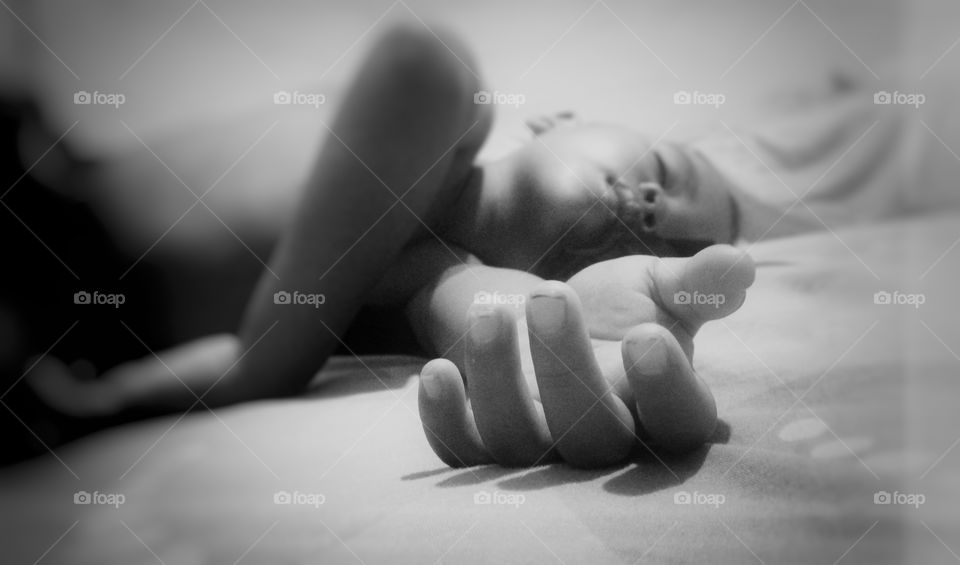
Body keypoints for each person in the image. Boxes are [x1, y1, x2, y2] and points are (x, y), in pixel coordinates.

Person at [21, 24, 757, 469]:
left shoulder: (431, 277)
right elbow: (415, 55)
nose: (659, 215)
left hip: (70, 324)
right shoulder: (452, 110)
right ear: (556, 120)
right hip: (40, 199)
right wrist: (263, 360)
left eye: (672, 241)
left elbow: (488, 317)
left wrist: (575, 344)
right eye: (668, 172)